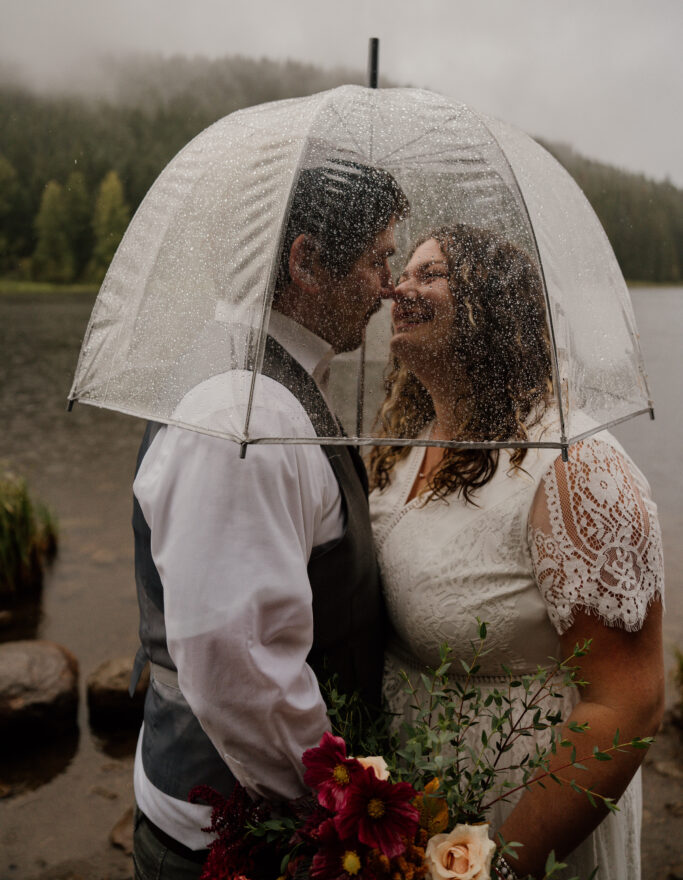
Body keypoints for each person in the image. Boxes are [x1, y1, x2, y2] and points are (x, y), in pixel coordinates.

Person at [130, 160, 408, 879]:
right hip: (230, 834)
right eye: (378, 258)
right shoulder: (243, 416)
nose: (388, 285)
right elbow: (236, 661)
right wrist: (343, 811)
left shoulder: (267, 378)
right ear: (307, 261)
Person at [368, 223, 665, 880]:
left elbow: (625, 704)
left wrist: (498, 867)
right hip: (415, 809)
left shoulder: (573, 466)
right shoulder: (399, 447)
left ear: (493, 304)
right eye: (401, 272)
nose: (399, 288)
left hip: (523, 812)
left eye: (430, 273)